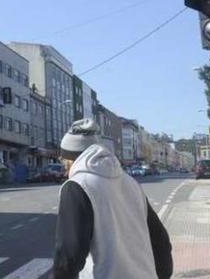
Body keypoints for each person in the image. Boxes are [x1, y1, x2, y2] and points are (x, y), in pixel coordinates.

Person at [52, 119, 173, 279]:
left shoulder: (77, 186)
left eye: (64, 161)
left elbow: (69, 256)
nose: (65, 168)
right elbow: (160, 241)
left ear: (70, 159)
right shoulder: (131, 183)